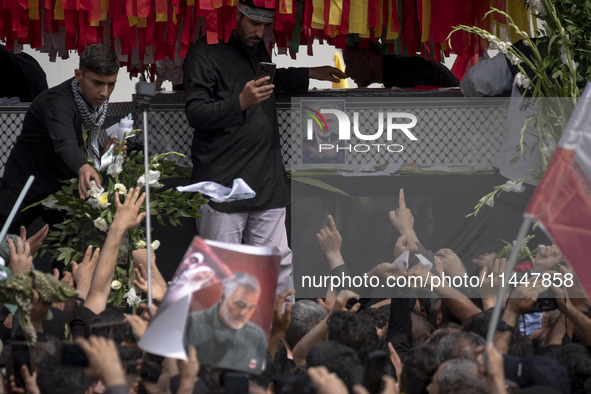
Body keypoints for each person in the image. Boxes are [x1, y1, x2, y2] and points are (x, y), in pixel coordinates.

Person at [183, 0, 346, 298]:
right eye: (253, 24)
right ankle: (222, 341)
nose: (260, 32)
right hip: (223, 182)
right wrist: (240, 103)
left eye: (266, 26)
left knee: (277, 267)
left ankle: (283, 338)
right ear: (235, 17)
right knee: (222, 273)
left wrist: (311, 72)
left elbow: (269, 81)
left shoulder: (255, 47)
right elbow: (196, 113)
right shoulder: (203, 52)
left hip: (266, 178)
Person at [0, 43, 121, 234]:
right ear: (78, 75)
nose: (105, 92)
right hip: (25, 185)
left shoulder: (94, 103)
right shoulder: (58, 101)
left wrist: (103, 152)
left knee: (69, 256)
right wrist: (83, 166)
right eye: (97, 82)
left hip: (63, 187)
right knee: (2, 243)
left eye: (111, 83)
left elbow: (83, 139)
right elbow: (65, 140)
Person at [184, 272, 267, 372]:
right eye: (240, 304)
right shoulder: (190, 325)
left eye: (251, 308)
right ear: (223, 297)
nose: (244, 313)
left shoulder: (257, 338)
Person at [342, 42, 459, 89]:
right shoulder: (397, 68)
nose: (347, 72)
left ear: (368, 57)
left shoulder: (404, 71)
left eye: (349, 63)